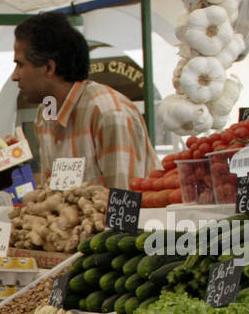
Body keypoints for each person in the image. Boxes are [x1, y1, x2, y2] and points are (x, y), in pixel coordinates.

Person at [12, 12, 160, 190]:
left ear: (49, 68)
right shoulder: (45, 116)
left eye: (20, 65)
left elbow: (125, 204)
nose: (15, 76)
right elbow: (51, 195)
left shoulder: (109, 113)